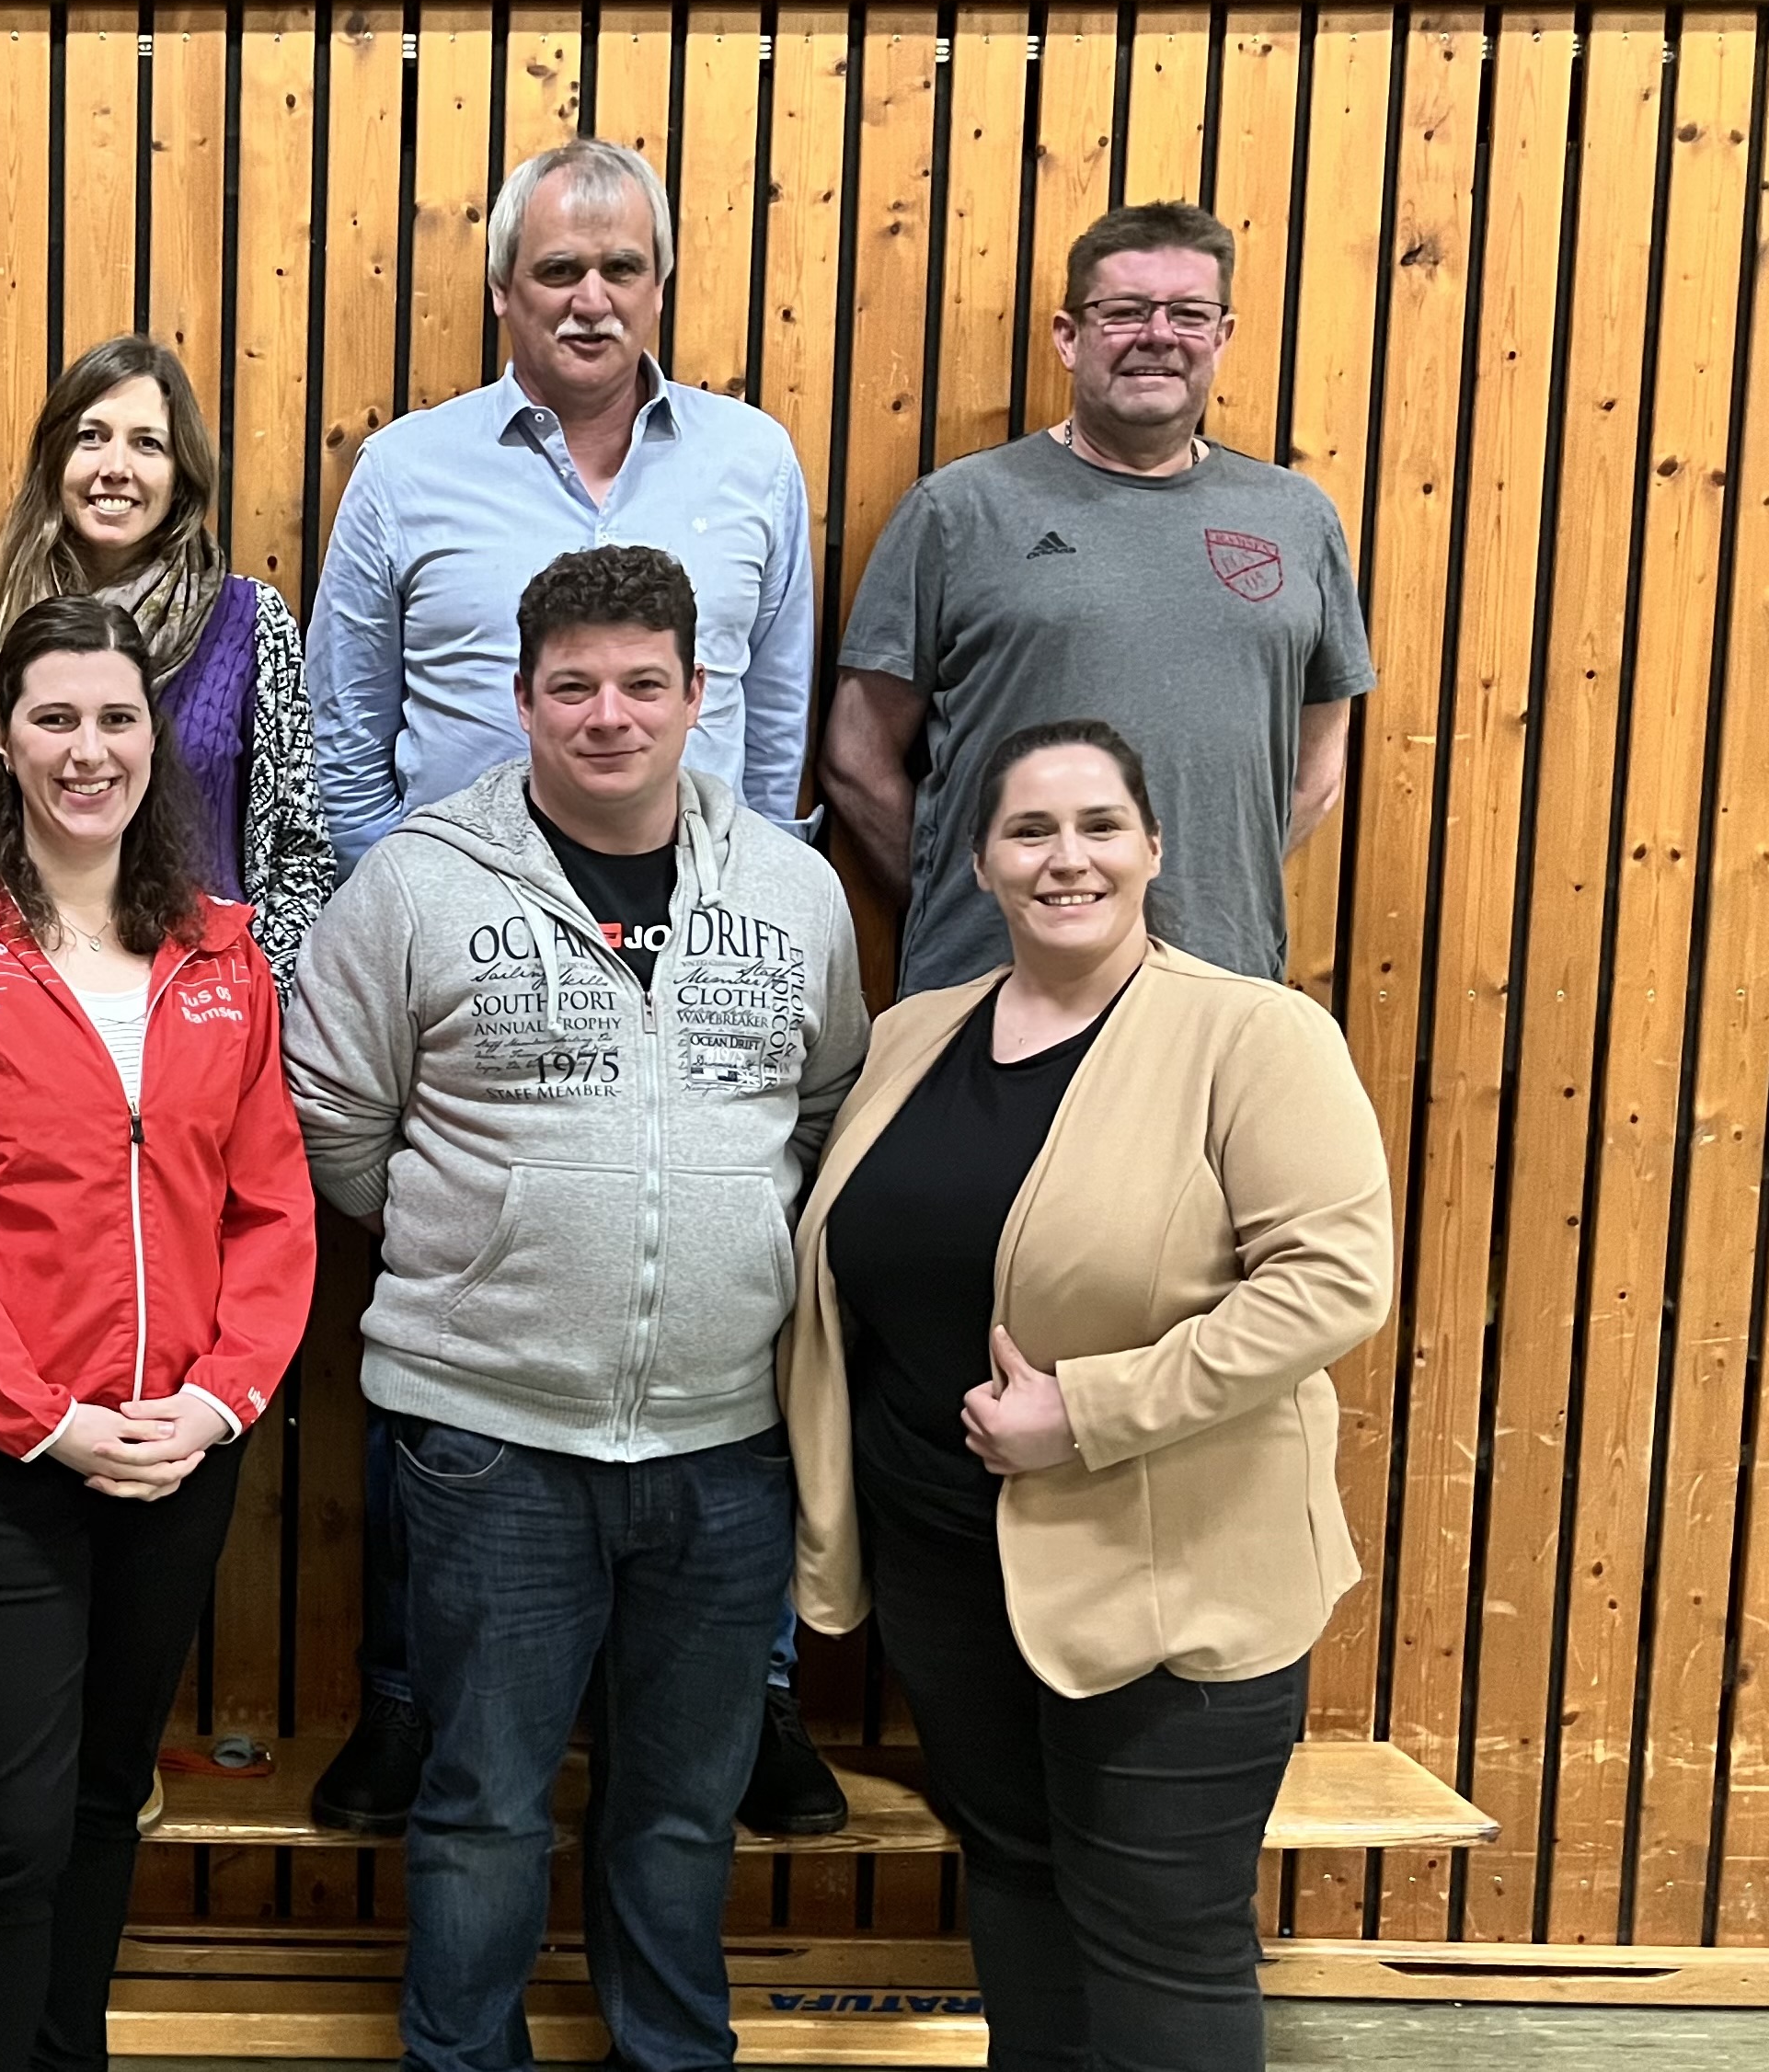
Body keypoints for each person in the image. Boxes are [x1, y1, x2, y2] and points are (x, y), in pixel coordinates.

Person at [302, 136, 841, 1839]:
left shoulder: (753, 463)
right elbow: (339, 727)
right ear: (502, 290)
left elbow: (772, 722)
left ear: (659, 285)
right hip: (464, 977)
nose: (590, 298)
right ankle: (411, 1699)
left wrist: (750, 905)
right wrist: (422, 920)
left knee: (726, 1310)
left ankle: (748, 1701)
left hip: (705, 966)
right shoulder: (408, 470)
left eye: (620, 269)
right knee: (443, 1316)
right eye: (556, 270)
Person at [283, 545, 866, 2072]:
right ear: (522, 696)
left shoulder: (793, 889)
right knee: (482, 1802)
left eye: (642, 684)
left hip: (726, 1441)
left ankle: (670, 2052)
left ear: (697, 693)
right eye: (574, 686)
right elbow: (336, 1116)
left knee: (681, 1806)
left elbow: (825, 1110)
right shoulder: (416, 883)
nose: (609, 715)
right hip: (491, 1439)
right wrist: (493, 1246)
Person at [782, 720, 1392, 2070]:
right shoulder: (912, 1036)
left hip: (1171, 1574)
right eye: (1031, 831)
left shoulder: (1255, 1034)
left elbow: (1335, 1283)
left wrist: (1091, 1411)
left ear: (1154, 849)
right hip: (948, 1569)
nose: (1068, 858)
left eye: (1101, 826)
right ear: (980, 865)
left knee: (1162, 1935)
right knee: (1013, 1874)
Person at [0, 594, 319, 2071]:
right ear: (2, 741)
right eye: (53, 718)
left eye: (116, 718)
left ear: (155, 741)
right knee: (14, 1818)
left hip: (178, 1451)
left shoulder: (224, 954)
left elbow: (273, 1205)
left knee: (109, 1797)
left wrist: (220, 1402)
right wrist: (42, 1418)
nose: (87, 749)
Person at [820, 201, 1375, 995]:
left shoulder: (1296, 519)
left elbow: (1315, 772)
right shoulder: (959, 510)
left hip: (1219, 985)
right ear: (1068, 336)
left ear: (1222, 337)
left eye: (1189, 314)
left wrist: (1195, 892)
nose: (1158, 335)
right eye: (1124, 312)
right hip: (993, 985)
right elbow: (857, 757)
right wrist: (990, 901)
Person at [0, 335, 333, 978]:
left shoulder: (252, 623)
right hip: (24, 991)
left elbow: (300, 853)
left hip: (209, 989)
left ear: (181, 471)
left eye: (147, 444)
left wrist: (250, 990)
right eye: (91, 437)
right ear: (55, 456)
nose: (115, 467)